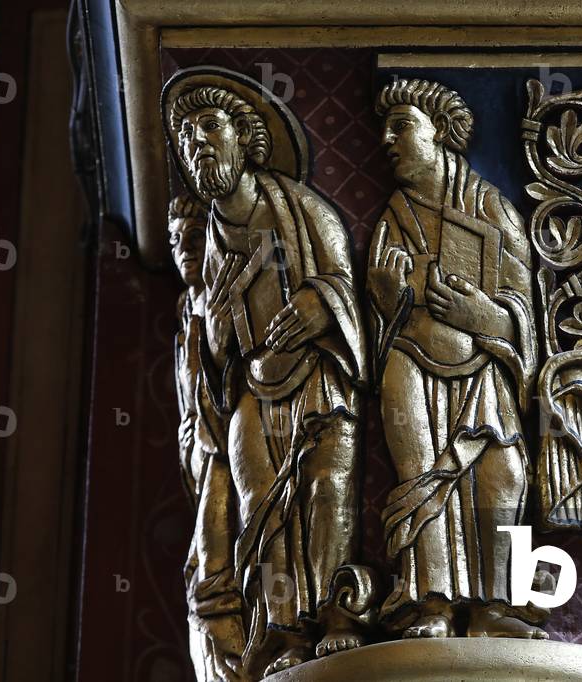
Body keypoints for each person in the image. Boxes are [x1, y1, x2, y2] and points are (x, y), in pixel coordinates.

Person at [165, 76, 370, 676]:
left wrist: (319, 306)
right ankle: (284, 631)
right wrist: (217, 320)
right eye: (184, 136)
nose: (195, 143)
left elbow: (341, 281)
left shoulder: (301, 209)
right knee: (261, 508)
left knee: (327, 488)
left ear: (246, 139)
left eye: (209, 127)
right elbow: (213, 361)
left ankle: (337, 615)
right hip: (255, 389)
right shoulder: (204, 241)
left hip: (320, 378)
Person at [367, 78, 546, 640]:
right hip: (412, 366)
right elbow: (376, 315)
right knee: (424, 478)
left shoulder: (493, 208)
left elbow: (524, 311)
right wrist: (386, 297)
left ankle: (497, 605)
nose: (385, 139)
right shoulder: (392, 217)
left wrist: (486, 317)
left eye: (402, 126)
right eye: (384, 128)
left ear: (440, 132)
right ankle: (432, 603)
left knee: (504, 472)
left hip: (485, 368)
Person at [169, 193, 245, 681]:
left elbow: (236, 379)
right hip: (202, 453)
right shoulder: (185, 316)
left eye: (193, 237)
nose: (183, 249)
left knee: (214, 568)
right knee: (202, 565)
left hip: (229, 448)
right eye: (175, 240)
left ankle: (236, 662)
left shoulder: (224, 300)